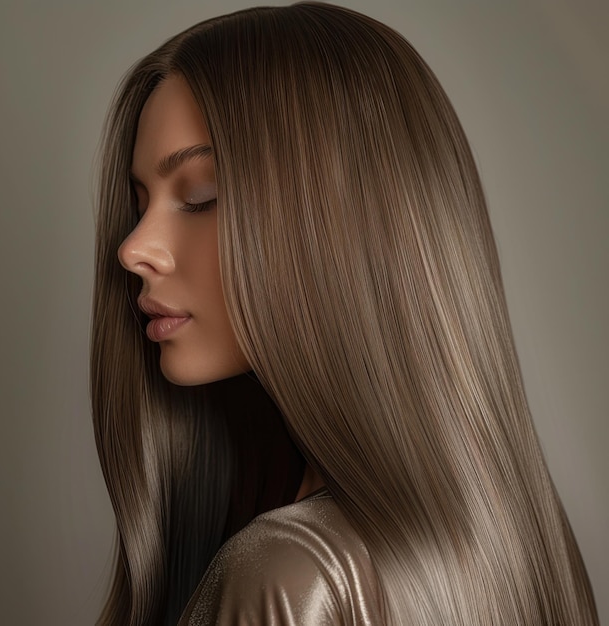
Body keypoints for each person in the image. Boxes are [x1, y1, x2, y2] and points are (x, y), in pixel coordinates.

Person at [91, 2, 599, 624]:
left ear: (340, 228)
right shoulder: (522, 540)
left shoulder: (287, 573)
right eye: (139, 203)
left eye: (200, 195)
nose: (132, 248)